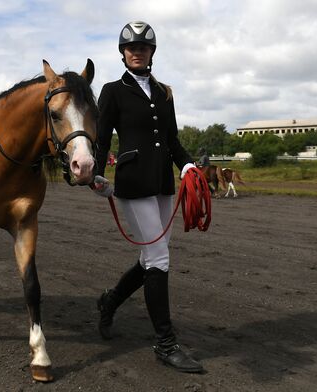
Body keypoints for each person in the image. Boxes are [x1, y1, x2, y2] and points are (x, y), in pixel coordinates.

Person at [92, 21, 203, 373]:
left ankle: (109, 302)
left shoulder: (165, 92)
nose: (137, 51)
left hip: (161, 183)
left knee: (150, 259)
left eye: (143, 47)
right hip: (133, 182)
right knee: (159, 258)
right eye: (131, 47)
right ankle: (165, 343)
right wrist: (96, 171)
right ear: (123, 53)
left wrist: (186, 166)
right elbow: (102, 138)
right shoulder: (111, 90)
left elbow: (172, 141)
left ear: (152, 52)